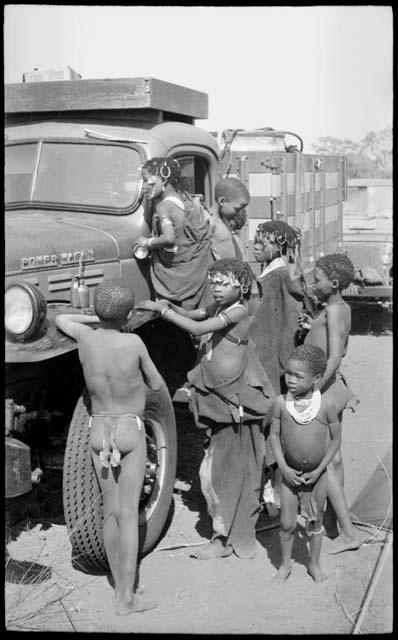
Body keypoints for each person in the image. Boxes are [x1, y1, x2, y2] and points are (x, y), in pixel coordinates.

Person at [136, 258, 275, 560]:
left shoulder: (238, 311)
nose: (216, 288)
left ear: (242, 286)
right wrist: (166, 304)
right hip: (218, 397)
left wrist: (166, 313)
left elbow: (197, 327)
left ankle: (227, 536)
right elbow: (193, 313)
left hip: (234, 400)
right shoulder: (219, 307)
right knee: (217, 469)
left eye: (223, 283)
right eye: (213, 282)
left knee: (226, 470)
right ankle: (224, 532)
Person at [55, 279, 163, 616]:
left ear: (97, 311)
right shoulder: (133, 342)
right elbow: (156, 383)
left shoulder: (86, 339)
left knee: (110, 511)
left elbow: (61, 319)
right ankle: (125, 600)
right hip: (129, 428)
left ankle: (120, 583)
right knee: (129, 514)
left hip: (98, 430)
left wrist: (93, 317)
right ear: (129, 314)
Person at [301, 253, 361, 554]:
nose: (313, 285)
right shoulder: (339, 307)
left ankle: (349, 534)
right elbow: (327, 334)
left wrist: (313, 391)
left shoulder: (334, 311)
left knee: (324, 464)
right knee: (335, 460)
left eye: (318, 281)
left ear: (334, 283)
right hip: (334, 387)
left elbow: (335, 355)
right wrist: (313, 324)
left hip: (324, 391)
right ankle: (339, 519)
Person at [270, 345, 341, 583]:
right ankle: (285, 565)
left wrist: (320, 469)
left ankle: (313, 564)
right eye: (288, 373)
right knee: (287, 523)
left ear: (317, 379)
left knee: (314, 521)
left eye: (298, 376)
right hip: (290, 476)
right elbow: (274, 437)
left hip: (316, 476)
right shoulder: (281, 403)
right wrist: (284, 468)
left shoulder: (326, 405)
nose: (290, 380)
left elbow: (335, 440)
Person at [134, 157, 213, 310]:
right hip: (194, 272)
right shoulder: (186, 200)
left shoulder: (163, 206)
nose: (144, 187)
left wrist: (147, 242)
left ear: (163, 180)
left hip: (174, 279)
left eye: (147, 181)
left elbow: (169, 238)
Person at [208, 177, 250, 261]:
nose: (238, 213)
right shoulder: (209, 222)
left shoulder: (225, 222)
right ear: (222, 201)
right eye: (237, 209)